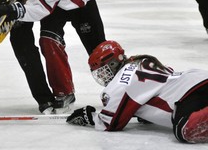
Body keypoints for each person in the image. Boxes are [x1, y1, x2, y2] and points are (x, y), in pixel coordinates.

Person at [66, 40, 208, 144]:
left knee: (184, 129)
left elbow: (109, 124)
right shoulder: (140, 61)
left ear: (113, 64)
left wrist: (89, 116)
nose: (102, 77)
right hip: (197, 79)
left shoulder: (121, 82)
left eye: (103, 71)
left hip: (188, 94)